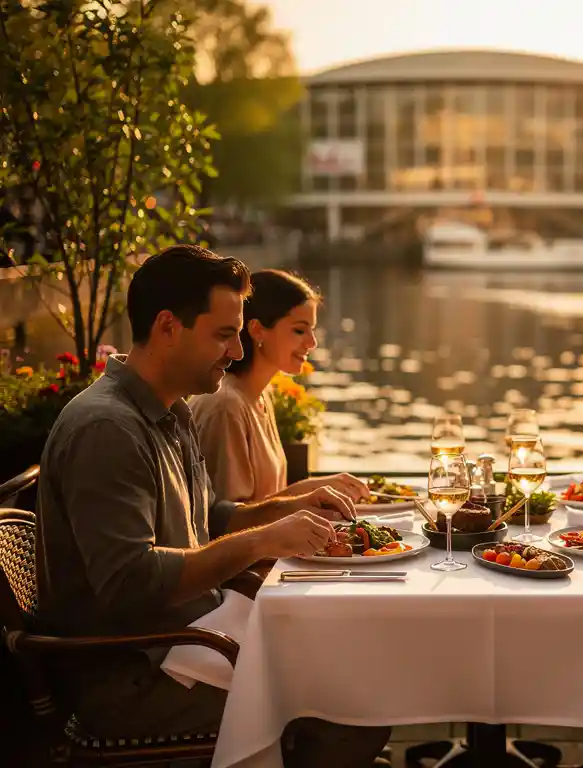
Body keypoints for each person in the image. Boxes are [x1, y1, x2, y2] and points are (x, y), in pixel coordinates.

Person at [35, 245, 390, 768]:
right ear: (168, 327)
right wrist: (265, 539)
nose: (238, 353)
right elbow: (130, 582)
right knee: (350, 710)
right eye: (224, 335)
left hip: (183, 644)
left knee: (356, 669)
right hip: (129, 676)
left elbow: (213, 519)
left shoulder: (169, 409)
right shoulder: (106, 429)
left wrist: (291, 506)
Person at [189, 269, 369, 503]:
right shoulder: (226, 407)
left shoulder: (261, 393)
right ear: (257, 330)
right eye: (299, 330)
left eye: (312, 330)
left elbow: (265, 502)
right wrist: (310, 491)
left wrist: (315, 487)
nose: (312, 342)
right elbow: (226, 522)